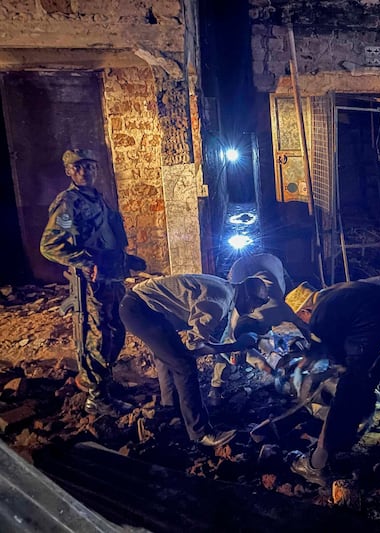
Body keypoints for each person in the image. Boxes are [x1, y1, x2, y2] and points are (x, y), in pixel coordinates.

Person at [284, 281, 380, 486]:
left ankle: (317, 463)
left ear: (306, 309)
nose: (304, 321)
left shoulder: (320, 312)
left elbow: (335, 351)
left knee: (347, 394)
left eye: (301, 317)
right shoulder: (340, 290)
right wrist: (308, 361)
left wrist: (340, 369)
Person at [40, 149, 146, 417]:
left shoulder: (98, 199)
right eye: (78, 167)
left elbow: (107, 237)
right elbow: (50, 245)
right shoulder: (68, 203)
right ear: (69, 172)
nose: (85, 171)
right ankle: (96, 397)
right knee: (98, 338)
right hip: (92, 282)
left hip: (112, 277)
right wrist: (85, 262)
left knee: (116, 332)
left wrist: (127, 260)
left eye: (90, 166)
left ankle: (103, 386)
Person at [118, 274, 263, 447]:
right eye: (255, 305)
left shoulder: (224, 289)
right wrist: (236, 346)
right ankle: (200, 433)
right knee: (184, 365)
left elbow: (200, 341)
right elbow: (194, 348)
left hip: (142, 305)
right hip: (141, 310)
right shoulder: (220, 302)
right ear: (247, 296)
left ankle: (170, 411)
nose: (253, 310)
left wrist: (231, 346)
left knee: (168, 358)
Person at [208, 253, 309, 405]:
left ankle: (216, 387)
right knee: (226, 347)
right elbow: (226, 348)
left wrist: (313, 347)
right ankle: (216, 387)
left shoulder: (279, 310)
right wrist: (273, 372)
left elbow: (303, 324)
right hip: (240, 268)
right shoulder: (235, 317)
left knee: (289, 292)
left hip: (272, 263)